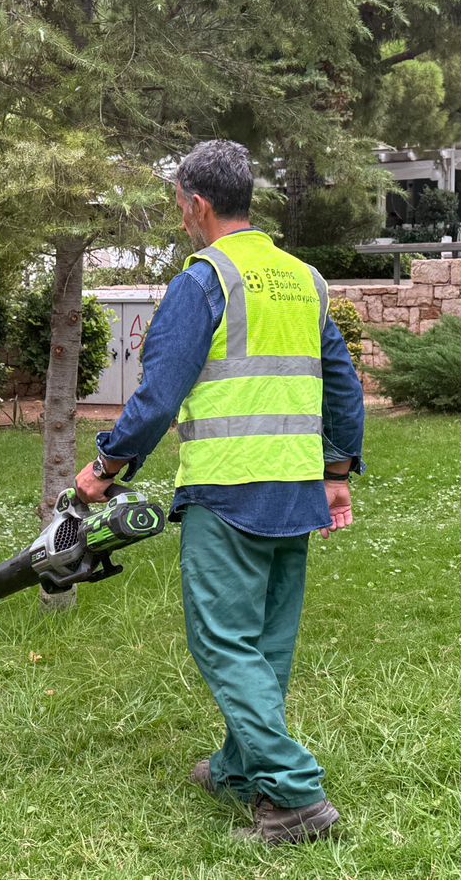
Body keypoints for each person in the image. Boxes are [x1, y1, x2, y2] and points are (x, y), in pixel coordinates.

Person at [73, 139, 366, 845]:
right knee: (265, 642)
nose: (181, 219)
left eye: (180, 206)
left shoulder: (204, 280)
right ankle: (241, 768)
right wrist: (335, 474)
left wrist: (104, 468)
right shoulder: (304, 279)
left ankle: (295, 796)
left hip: (230, 490)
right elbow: (343, 386)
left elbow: (158, 396)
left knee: (223, 642)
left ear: (197, 204)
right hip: (294, 488)